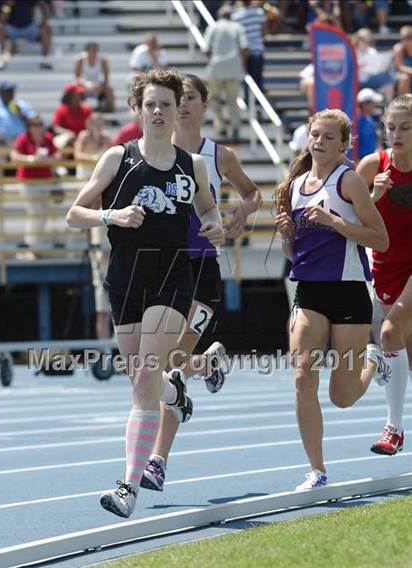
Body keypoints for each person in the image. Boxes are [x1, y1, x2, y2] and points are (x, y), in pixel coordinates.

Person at [66, 68, 224, 518]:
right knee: (147, 381)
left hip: (172, 277)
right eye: (150, 104)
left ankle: (127, 487)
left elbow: (208, 211)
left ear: (179, 111)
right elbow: (75, 213)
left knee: (142, 382)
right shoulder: (118, 158)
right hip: (125, 279)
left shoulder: (190, 165)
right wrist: (110, 218)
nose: (158, 111)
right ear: (137, 109)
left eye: (167, 105)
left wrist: (213, 226)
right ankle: (177, 395)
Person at [140, 74, 263, 492]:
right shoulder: (156, 154)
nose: (185, 104)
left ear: (204, 105)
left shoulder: (218, 155)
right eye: (180, 98)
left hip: (202, 268)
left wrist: (237, 216)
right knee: (160, 367)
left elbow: (252, 193)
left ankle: (157, 461)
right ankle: (209, 362)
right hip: (161, 269)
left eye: (192, 97)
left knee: (172, 365)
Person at [274, 108, 390, 490]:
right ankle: (317, 470)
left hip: (347, 291)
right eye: (315, 135)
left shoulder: (350, 181)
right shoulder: (293, 186)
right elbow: (296, 254)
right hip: (308, 289)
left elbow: (379, 238)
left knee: (342, 396)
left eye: (328, 137)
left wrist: (334, 222)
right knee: (303, 374)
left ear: (343, 145)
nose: (319, 142)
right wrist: (289, 236)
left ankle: (372, 361)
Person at [357, 94, 412, 456]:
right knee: (400, 348)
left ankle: (393, 428)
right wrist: (374, 197)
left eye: (405, 127)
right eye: (391, 127)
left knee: (390, 333)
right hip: (385, 267)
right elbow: (347, 217)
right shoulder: (372, 165)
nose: (396, 134)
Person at [74, 112, 112, 339]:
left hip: (121, 274)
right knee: (103, 310)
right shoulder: (96, 215)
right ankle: (104, 353)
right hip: (103, 267)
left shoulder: (112, 213)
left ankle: (121, 355)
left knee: (120, 312)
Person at [11, 114, 60, 254]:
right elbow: (14, 156)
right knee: (36, 213)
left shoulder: (48, 138)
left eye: (40, 125)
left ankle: (35, 247)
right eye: (36, 125)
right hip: (28, 182)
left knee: (43, 214)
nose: (39, 128)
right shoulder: (23, 138)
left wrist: (48, 159)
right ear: (30, 127)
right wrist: (30, 159)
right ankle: (33, 247)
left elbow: (58, 154)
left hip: (45, 181)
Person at [203, 4, 248, 141]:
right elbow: (245, 47)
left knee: (215, 99)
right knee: (233, 100)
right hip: (234, 68)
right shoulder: (237, 27)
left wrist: (213, 61)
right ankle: (235, 127)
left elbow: (206, 49)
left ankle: (221, 126)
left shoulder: (213, 27)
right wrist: (240, 62)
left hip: (216, 68)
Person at [0, 0, 52, 69]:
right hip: (11, 28)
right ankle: (0, 60)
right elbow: (1, 20)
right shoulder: (4, 2)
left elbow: (43, 6)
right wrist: (8, 6)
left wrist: (44, 21)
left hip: (28, 28)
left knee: (46, 30)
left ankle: (45, 60)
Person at [231, 0, 266, 98]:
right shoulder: (259, 13)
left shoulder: (236, 16)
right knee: (257, 80)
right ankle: (255, 104)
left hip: (242, 52)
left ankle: (248, 103)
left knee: (246, 80)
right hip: (257, 50)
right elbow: (264, 31)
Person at [353, 28, 394, 103]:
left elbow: (378, 66)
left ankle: (389, 104)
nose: (365, 43)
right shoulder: (352, 51)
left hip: (370, 78)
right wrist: (358, 66)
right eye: (363, 40)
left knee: (387, 76)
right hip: (356, 80)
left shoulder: (372, 51)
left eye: (367, 41)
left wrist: (385, 66)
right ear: (358, 40)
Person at [74, 42, 115, 112]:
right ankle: (76, 111)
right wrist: (87, 84)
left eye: (95, 51)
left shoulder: (103, 60)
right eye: (91, 50)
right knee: (74, 91)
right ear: (86, 51)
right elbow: (77, 79)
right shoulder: (80, 60)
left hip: (98, 85)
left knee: (109, 90)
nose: (93, 53)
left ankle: (110, 110)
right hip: (84, 85)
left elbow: (106, 78)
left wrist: (100, 86)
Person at [0, 81, 35, 148]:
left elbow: (34, 122)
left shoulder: (21, 105)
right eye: (7, 91)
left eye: (12, 91)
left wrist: (21, 114)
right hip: (0, 141)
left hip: (20, 140)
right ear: (0, 92)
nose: (10, 93)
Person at [52, 84, 92, 151]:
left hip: (84, 139)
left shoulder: (86, 110)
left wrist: (82, 136)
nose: (78, 97)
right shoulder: (61, 110)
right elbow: (56, 128)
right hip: (68, 140)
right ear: (69, 96)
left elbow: (92, 126)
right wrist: (69, 133)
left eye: (79, 95)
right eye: (75, 95)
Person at [357, 88, 383, 161]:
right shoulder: (356, 121)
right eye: (373, 102)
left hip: (371, 160)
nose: (375, 105)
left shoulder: (370, 119)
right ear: (364, 104)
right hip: (359, 162)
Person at [393, 25, 412, 96]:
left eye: (409, 37)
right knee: (405, 78)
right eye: (403, 38)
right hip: (398, 75)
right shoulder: (398, 49)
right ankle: (403, 104)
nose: (405, 40)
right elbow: (399, 67)